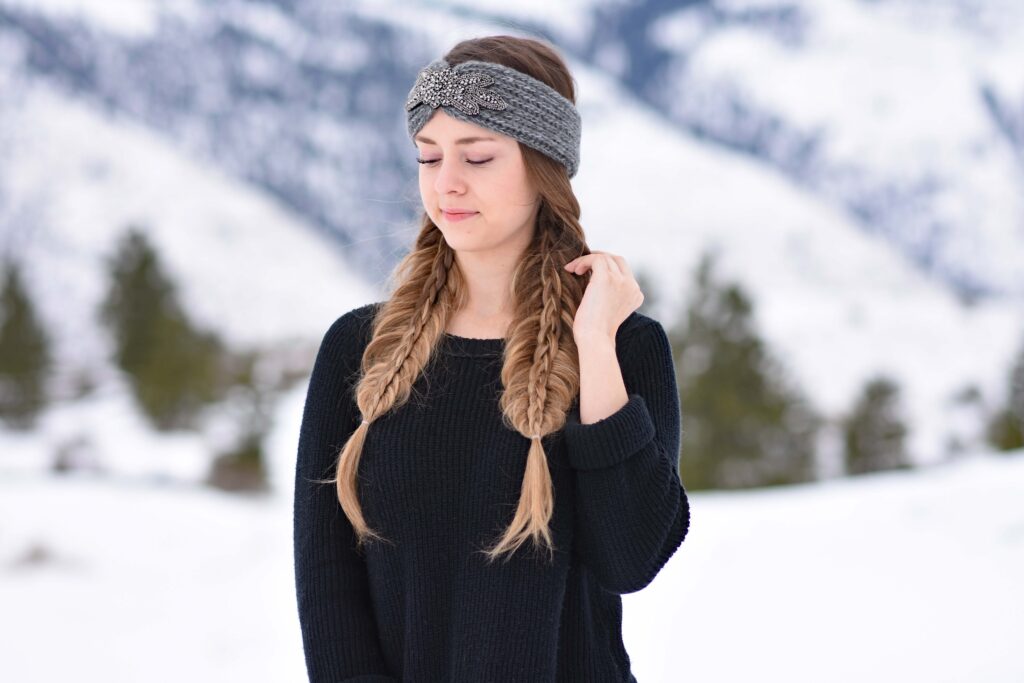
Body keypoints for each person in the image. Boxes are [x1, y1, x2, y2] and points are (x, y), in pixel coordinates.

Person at [293, 34, 690, 682]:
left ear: (544, 167)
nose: (447, 182)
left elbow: (631, 558)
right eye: (428, 156)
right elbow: (328, 587)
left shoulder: (623, 347)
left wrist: (592, 346)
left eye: (477, 156)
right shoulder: (359, 349)